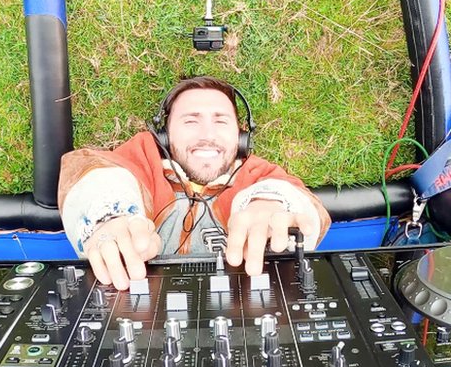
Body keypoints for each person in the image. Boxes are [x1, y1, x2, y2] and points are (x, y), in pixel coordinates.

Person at [58, 76, 330, 289]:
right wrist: (109, 217)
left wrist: (272, 205)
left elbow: (298, 200)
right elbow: (94, 172)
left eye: (221, 121)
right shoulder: (144, 157)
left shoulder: (256, 174)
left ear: (241, 137)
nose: (207, 134)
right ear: (164, 135)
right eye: (191, 121)